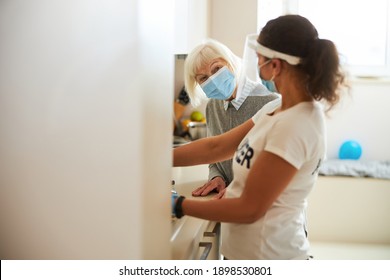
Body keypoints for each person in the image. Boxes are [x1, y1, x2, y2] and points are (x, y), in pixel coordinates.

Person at [173, 15, 347, 259]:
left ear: (274, 66)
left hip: (273, 256)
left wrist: (179, 205)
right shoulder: (275, 110)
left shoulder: (297, 123)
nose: (254, 63)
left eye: (259, 57)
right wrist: (157, 157)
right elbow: (216, 147)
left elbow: (250, 208)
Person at [183, 39, 279, 199]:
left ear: (231, 63)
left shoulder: (269, 103)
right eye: (203, 78)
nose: (212, 80)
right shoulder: (212, 106)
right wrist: (216, 177)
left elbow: (276, 167)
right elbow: (214, 158)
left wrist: (242, 188)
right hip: (230, 204)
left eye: (217, 69)